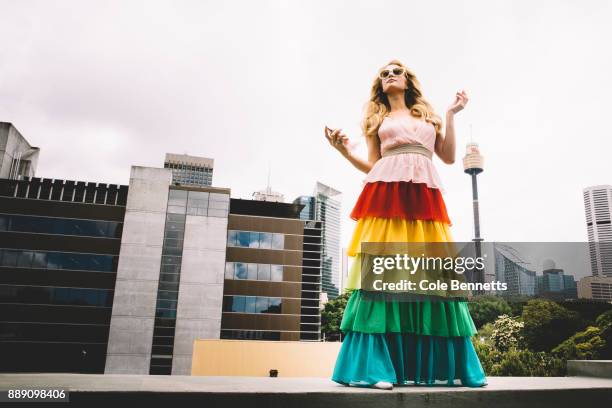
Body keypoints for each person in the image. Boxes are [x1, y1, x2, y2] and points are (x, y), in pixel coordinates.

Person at [324, 59, 488, 390]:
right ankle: (375, 370)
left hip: (424, 198)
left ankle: (450, 367)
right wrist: (343, 151)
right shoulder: (377, 120)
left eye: (395, 71)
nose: (389, 76)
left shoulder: (428, 115)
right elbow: (372, 164)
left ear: (407, 79)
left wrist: (452, 114)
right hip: (386, 197)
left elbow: (448, 156)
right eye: (383, 74)